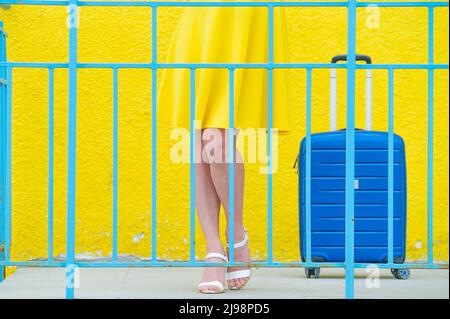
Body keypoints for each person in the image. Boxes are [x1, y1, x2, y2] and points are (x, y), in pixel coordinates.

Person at [158, 1, 290, 294]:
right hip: (202, 18)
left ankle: (237, 234)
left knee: (215, 138)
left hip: (245, 17)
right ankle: (214, 249)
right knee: (200, 138)